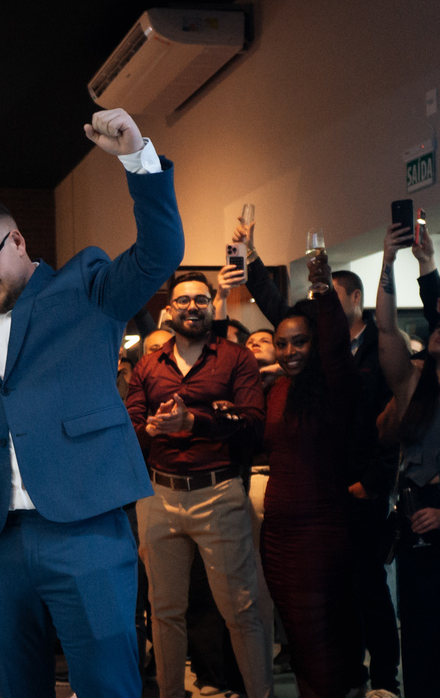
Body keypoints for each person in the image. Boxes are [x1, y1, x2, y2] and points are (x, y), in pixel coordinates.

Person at [0, 108, 183, 698]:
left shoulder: (85, 286)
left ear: (18, 240)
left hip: (84, 526)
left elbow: (160, 251)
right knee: (18, 687)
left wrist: (137, 158)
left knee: (108, 685)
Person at [126, 271, 271, 698]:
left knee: (240, 610)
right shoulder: (148, 365)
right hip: (159, 495)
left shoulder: (236, 358)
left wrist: (195, 421)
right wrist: (152, 428)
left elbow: (253, 424)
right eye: (184, 300)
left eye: (201, 300)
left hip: (218, 493)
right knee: (164, 611)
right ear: (169, 310)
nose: (192, 307)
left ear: (212, 305)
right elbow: (129, 432)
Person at [262, 254, 367, 698]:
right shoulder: (279, 389)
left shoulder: (334, 385)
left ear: (317, 342)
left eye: (300, 342)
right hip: (277, 535)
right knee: (301, 642)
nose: (290, 352)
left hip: (318, 532)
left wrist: (322, 292)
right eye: (282, 344)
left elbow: (337, 347)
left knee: (320, 638)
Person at [375, 222, 440, 698]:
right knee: (418, 644)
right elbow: (385, 327)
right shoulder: (415, 384)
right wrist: (389, 260)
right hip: (416, 529)